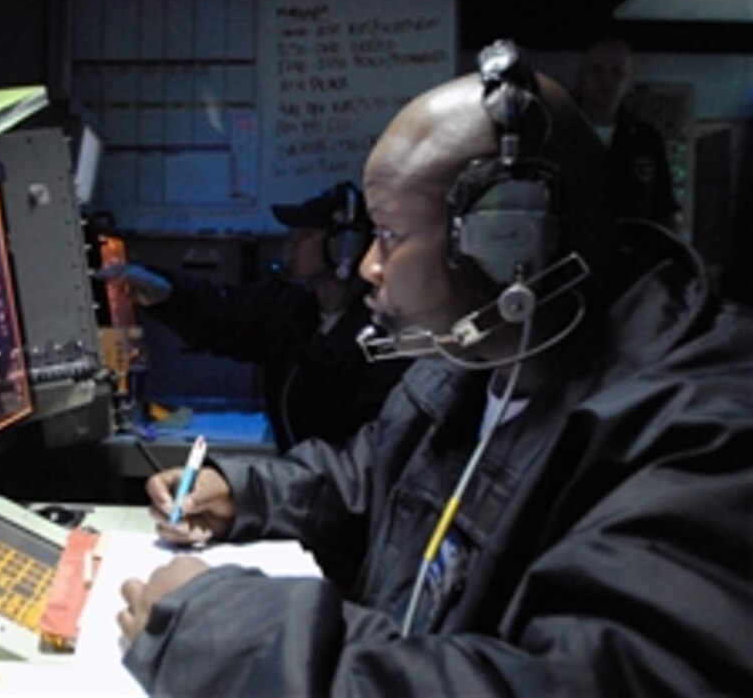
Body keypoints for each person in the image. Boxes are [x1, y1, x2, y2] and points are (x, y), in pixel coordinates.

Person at [116, 40, 753, 696]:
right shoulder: (476, 363)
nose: (367, 266)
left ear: (509, 244)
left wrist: (231, 638)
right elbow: (369, 476)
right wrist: (243, 493)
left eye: (388, 235)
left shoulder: (703, 444)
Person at [97, 182, 410, 451]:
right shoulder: (294, 308)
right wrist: (165, 292)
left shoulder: (381, 336)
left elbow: (361, 456)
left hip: (337, 502)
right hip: (296, 489)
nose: (292, 243)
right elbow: (224, 314)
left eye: (305, 235)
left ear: (344, 248)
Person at [575, 35, 681, 229]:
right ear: (581, 76)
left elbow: (663, 210)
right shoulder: (557, 131)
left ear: (628, 79)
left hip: (630, 253)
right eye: (596, 70)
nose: (606, 80)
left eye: (617, 72)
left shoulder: (646, 140)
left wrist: (679, 255)